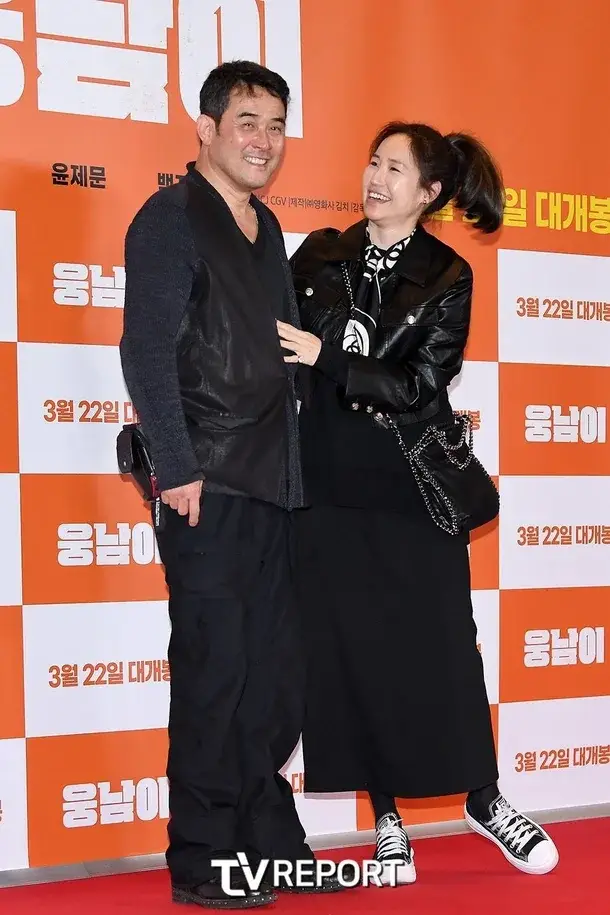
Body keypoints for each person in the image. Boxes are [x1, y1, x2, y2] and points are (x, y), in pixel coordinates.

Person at [278, 121, 560, 885]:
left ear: (429, 191)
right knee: (350, 651)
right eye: (374, 162)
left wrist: (330, 358)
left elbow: (420, 385)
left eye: (395, 169)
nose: (376, 178)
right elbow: (276, 351)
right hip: (327, 487)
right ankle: (388, 820)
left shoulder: (446, 274)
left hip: (413, 486)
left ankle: (484, 796)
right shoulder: (319, 256)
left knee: (445, 646)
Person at [120, 60, 342, 908]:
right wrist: (174, 465)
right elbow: (145, 347)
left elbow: (280, 352)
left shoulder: (268, 225)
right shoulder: (170, 218)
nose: (264, 140)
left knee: (275, 676)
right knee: (215, 674)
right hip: (206, 484)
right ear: (206, 129)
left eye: (276, 125)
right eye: (248, 122)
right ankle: (205, 854)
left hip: (275, 483)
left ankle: (266, 837)